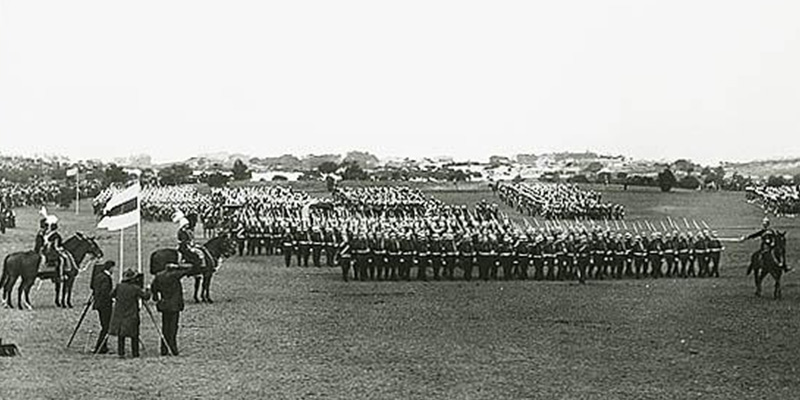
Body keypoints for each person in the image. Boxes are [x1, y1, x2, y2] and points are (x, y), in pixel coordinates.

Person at [109, 269, 151, 358]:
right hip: (131, 313)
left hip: (120, 313)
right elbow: (146, 297)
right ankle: (135, 353)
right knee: (134, 334)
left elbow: (111, 294)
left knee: (121, 335)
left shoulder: (119, 286)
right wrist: (148, 289)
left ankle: (121, 353)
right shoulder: (135, 288)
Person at [151, 264, 189, 356]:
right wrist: (179, 266)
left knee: (165, 327)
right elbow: (189, 269)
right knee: (173, 328)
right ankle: (173, 348)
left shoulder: (159, 275)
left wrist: (156, 298)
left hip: (164, 304)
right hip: (174, 305)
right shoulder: (175, 275)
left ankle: (164, 348)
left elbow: (153, 288)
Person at [90, 260, 115, 354]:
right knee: (106, 327)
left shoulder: (98, 276)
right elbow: (105, 292)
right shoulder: (106, 278)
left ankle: (102, 346)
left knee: (105, 326)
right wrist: (112, 297)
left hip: (99, 304)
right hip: (105, 305)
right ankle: (100, 347)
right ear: (110, 267)